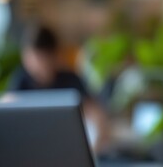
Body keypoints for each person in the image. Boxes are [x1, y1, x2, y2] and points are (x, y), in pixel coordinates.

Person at [8, 23, 110, 154]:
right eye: (35, 58)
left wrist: (93, 149)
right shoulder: (20, 81)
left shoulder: (70, 80)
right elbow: (7, 114)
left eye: (44, 58)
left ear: (55, 55)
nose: (40, 65)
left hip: (68, 149)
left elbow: (96, 115)